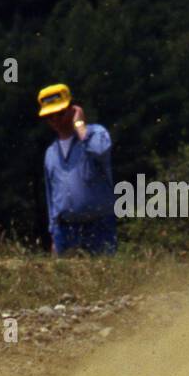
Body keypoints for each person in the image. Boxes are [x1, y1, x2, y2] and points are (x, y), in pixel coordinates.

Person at [38, 83, 117, 255]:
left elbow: (100, 150)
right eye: (50, 116)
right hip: (65, 230)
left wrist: (80, 125)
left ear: (72, 109)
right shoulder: (50, 153)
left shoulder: (96, 134)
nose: (55, 120)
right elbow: (51, 195)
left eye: (60, 114)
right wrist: (53, 232)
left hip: (99, 225)